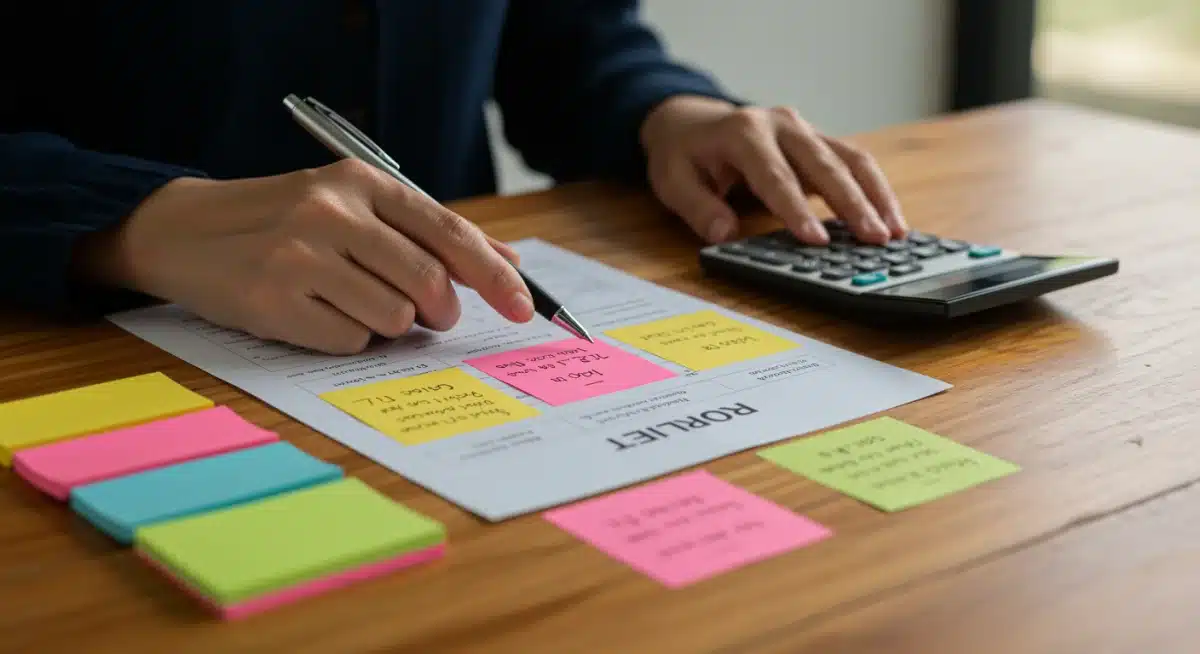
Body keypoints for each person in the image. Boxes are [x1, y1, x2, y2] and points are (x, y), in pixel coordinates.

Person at [0, 1, 907, 355]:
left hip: (429, 352)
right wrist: (130, 222)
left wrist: (661, 111)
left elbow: (568, 39)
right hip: (82, 363)